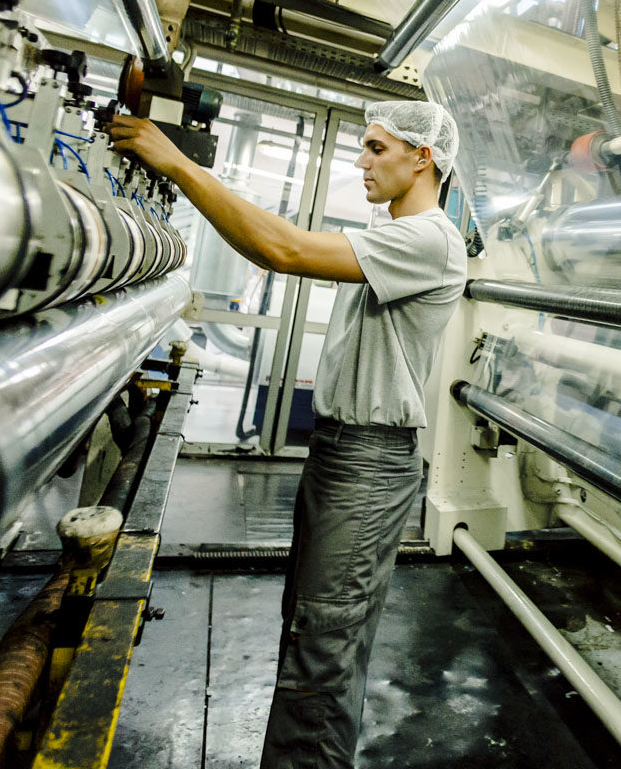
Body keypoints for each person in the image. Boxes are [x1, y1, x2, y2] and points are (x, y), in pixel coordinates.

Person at [110, 99, 467, 769]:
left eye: (376, 148)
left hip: (368, 463)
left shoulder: (429, 238)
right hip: (341, 454)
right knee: (312, 634)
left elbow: (283, 248)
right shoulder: (393, 233)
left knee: (322, 647)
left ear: (423, 157)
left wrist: (180, 167)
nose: (361, 162)